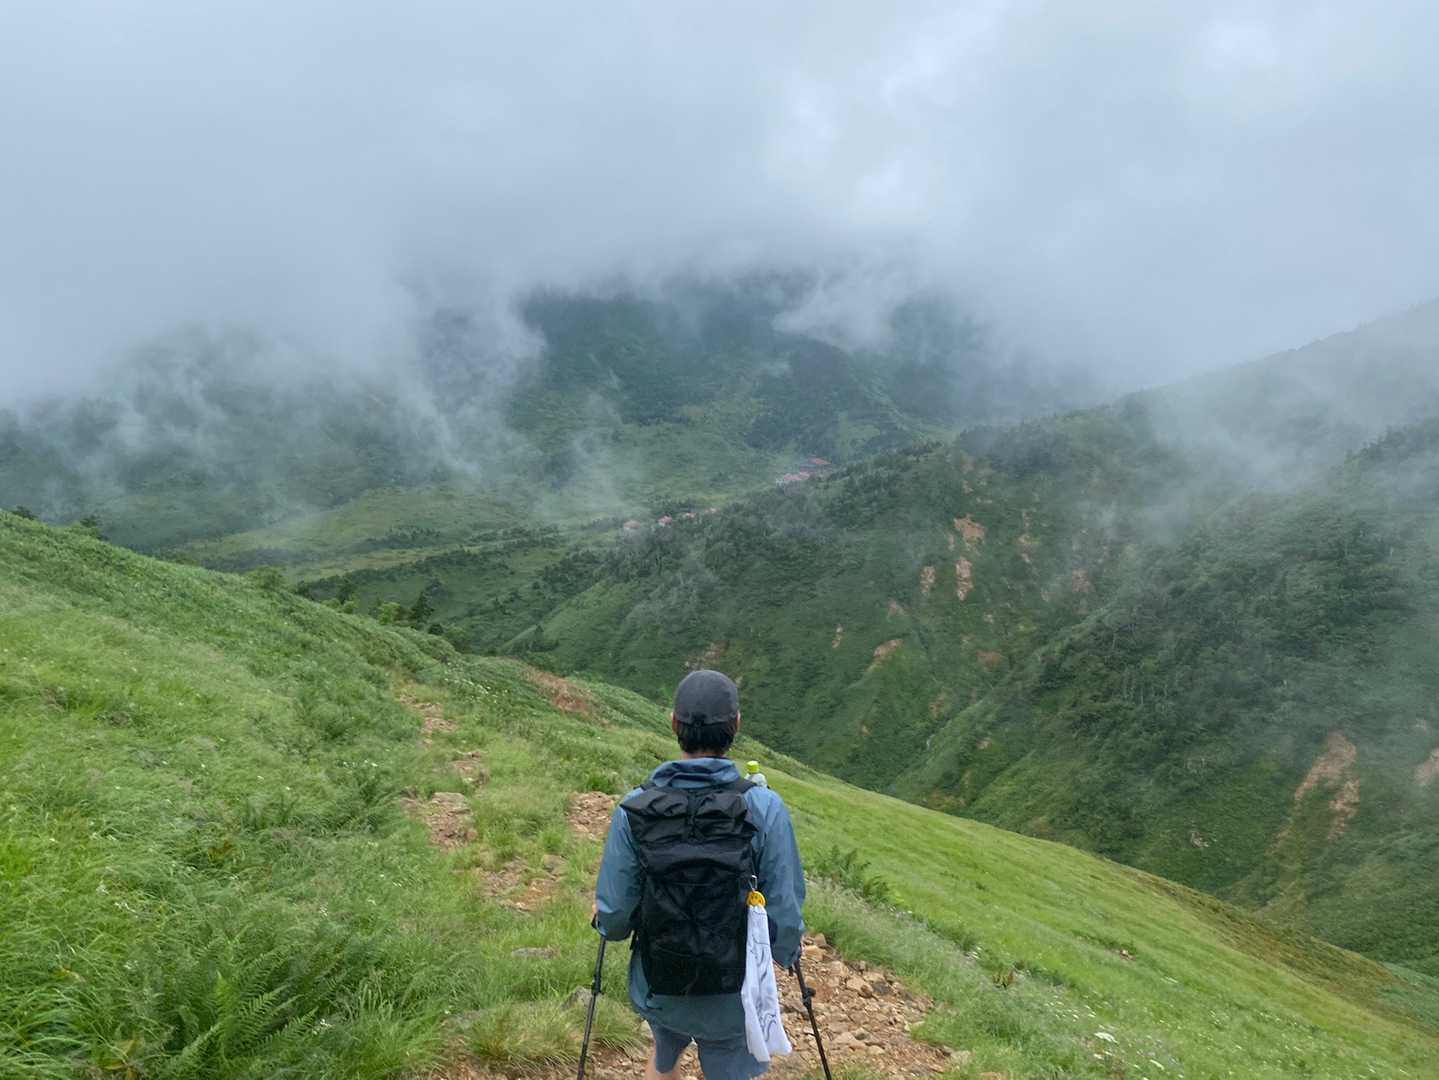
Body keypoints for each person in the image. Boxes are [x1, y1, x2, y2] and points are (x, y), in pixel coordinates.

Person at [594, 670, 806, 1079]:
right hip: (735, 994)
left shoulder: (635, 807)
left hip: (659, 985)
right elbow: (784, 911)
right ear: (736, 725)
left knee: (663, 1054)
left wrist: (603, 921)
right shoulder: (764, 808)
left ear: (674, 724)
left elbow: (615, 918)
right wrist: (784, 955)